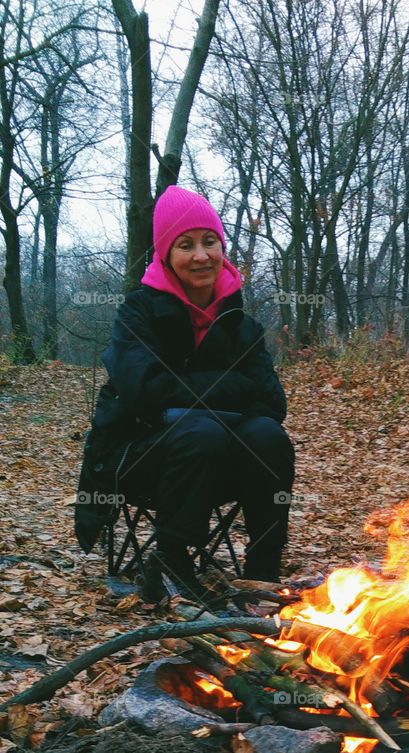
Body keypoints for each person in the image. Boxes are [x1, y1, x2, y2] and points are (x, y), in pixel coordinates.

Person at [74, 186, 295, 602]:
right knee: (201, 431)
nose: (201, 255)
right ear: (166, 255)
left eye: (210, 242)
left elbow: (271, 402)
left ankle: (263, 570)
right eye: (185, 245)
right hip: (139, 459)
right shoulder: (137, 312)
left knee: (266, 434)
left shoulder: (240, 325)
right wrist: (231, 389)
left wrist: (189, 397)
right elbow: (145, 393)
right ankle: (171, 562)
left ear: (222, 248)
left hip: (221, 462)